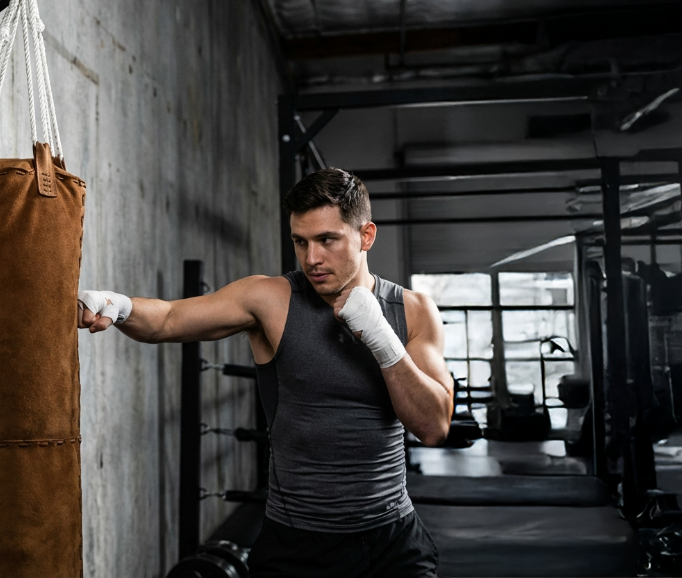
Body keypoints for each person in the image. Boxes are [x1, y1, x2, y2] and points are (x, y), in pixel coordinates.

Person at [78, 168, 453, 578]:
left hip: (391, 542)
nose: (312, 258)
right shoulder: (271, 300)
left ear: (366, 236)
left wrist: (382, 338)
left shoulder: (413, 311)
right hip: (297, 545)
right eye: (300, 242)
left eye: (327, 240)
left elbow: (433, 426)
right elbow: (169, 318)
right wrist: (118, 305)